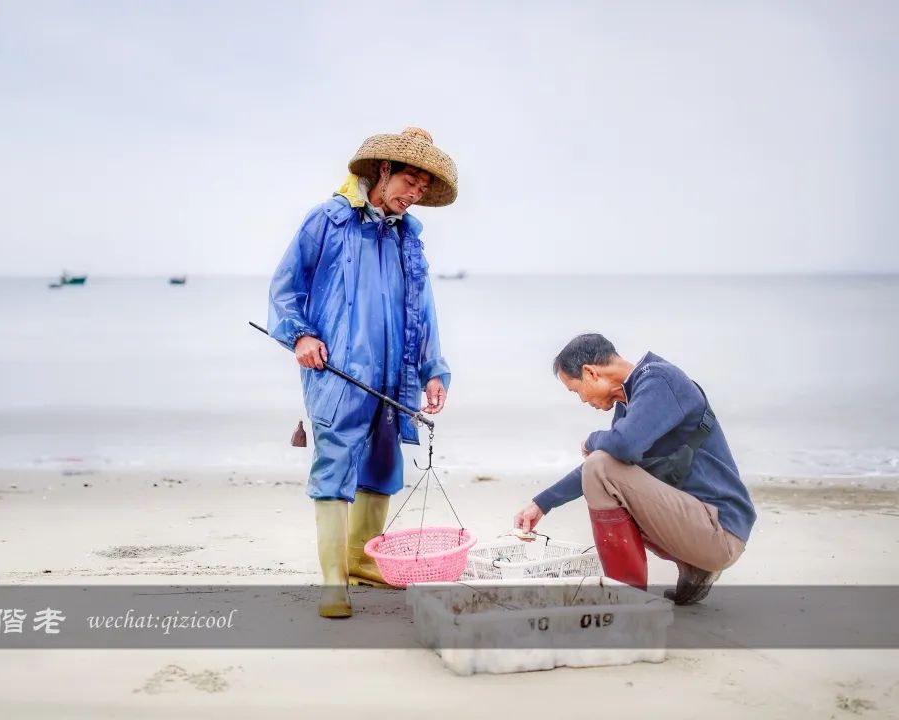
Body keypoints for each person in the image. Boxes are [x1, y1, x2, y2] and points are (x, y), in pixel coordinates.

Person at [268, 127, 457, 618]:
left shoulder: (408, 239)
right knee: (334, 462)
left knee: (381, 462)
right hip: (337, 369)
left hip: (395, 373)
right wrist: (300, 336)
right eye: (409, 183)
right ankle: (334, 583)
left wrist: (433, 370)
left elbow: (424, 309)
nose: (413, 196)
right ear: (382, 171)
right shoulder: (328, 220)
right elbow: (286, 287)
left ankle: (360, 560)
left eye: (422, 190)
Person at [514, 334, 756, 604]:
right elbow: (611, 460)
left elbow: (618, 450)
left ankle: (624, 598)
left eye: (575, 390)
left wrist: (592, 441)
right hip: (698, 524)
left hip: (719, 528)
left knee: (600, 467)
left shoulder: (659, 381)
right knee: (602, 470)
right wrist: (541, 503)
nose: (582, 400)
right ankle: (695, 569)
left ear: (590, 372)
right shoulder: (630, 403)